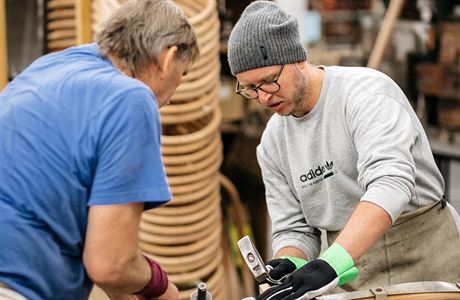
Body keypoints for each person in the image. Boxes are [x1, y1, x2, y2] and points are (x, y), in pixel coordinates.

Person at [227, 1, 460, 299]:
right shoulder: (273, 143)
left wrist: (330, 264)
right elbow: (294, 228)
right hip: (355, 272)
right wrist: (291, 262)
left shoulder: (366, 94)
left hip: (427, 257)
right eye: (249, 88)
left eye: (269, 81)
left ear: (298, 59)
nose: (262, 97)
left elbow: (391, 183)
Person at [0, 0, 199, 299]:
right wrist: (160, 286)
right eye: (182, 75)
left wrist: (124, 279)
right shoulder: (132, 98)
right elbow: (109, 264)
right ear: (168, 59)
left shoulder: (50, 67)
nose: (170, 98)